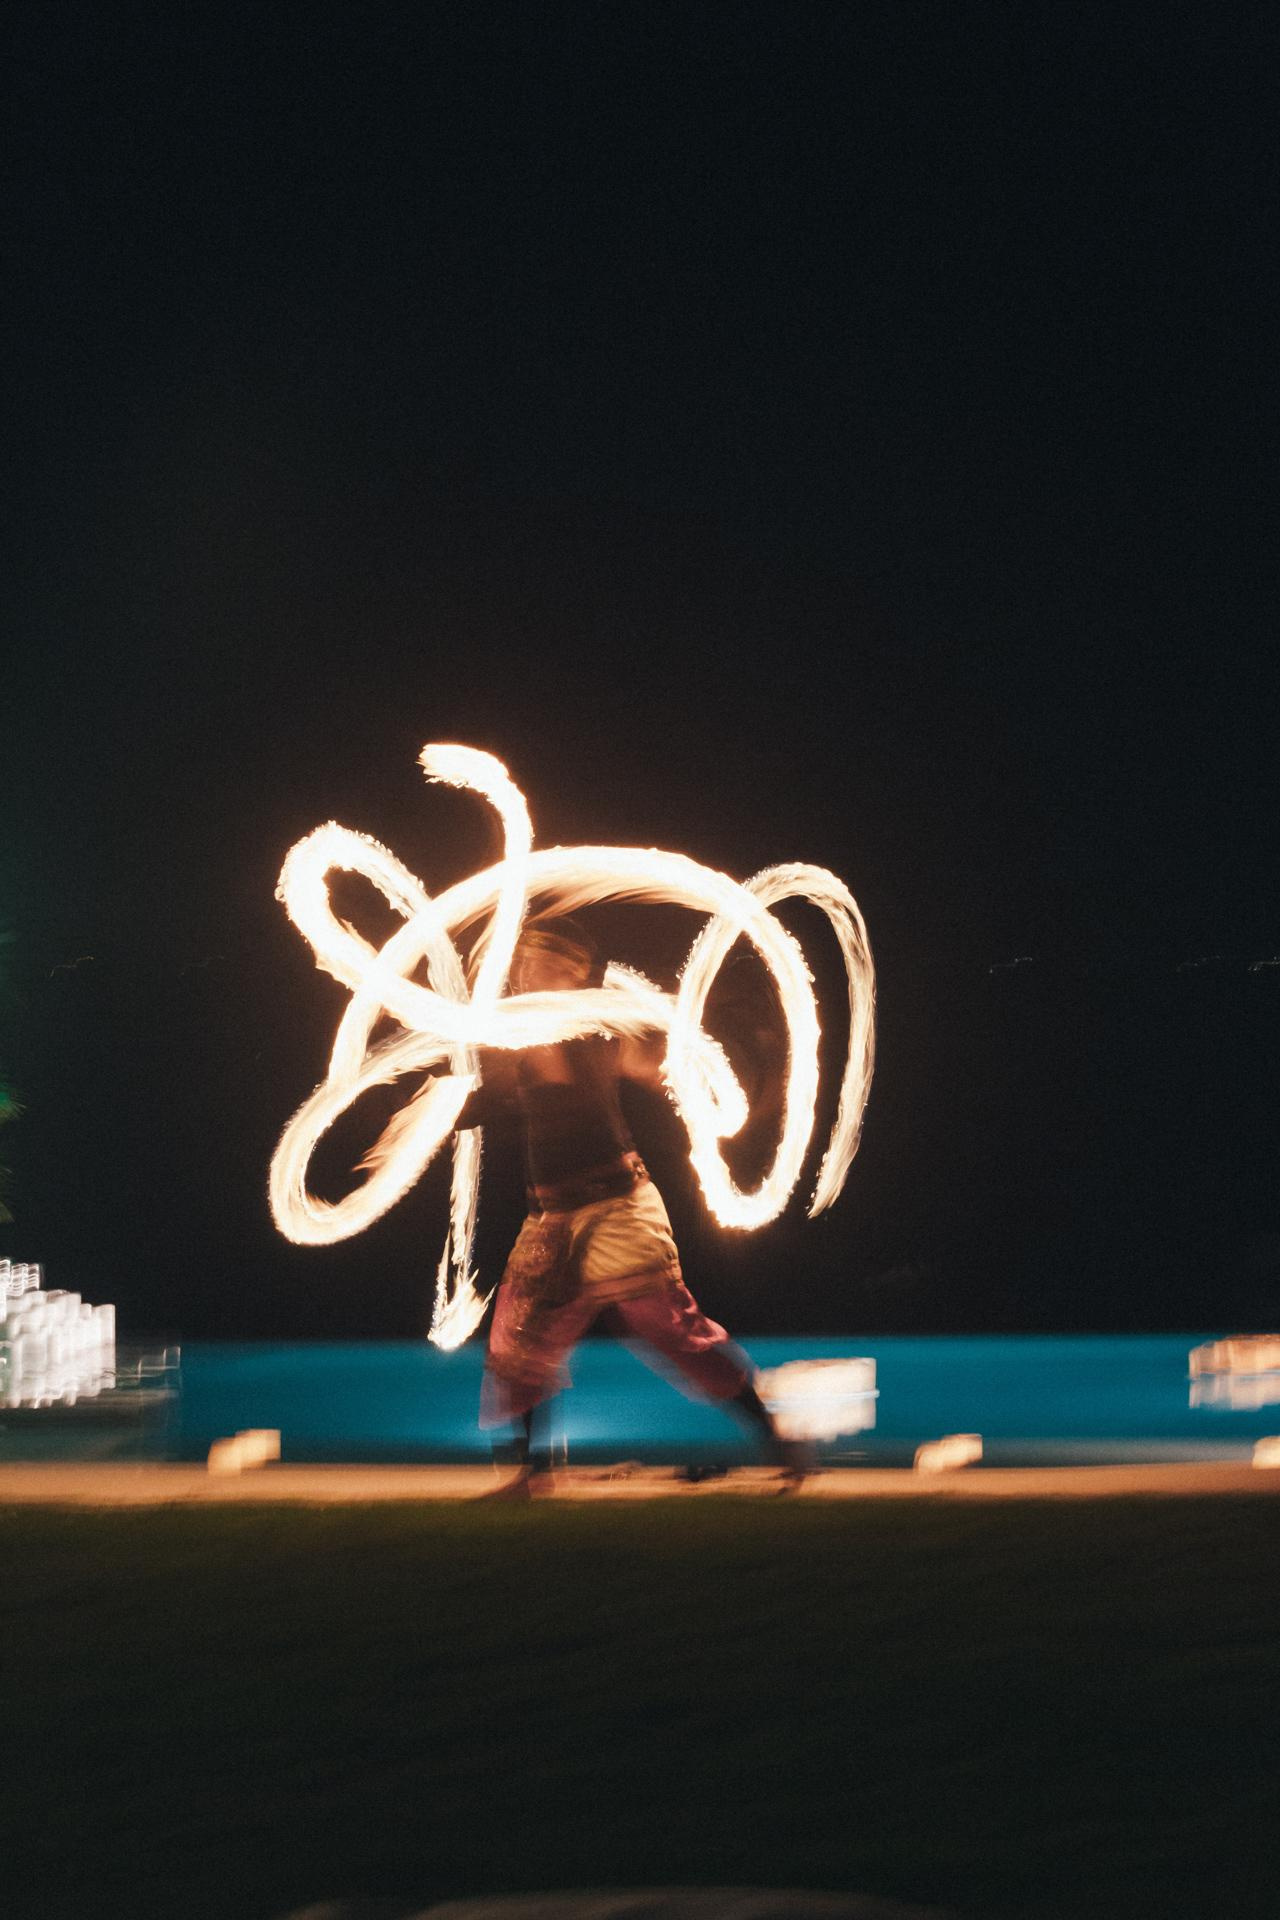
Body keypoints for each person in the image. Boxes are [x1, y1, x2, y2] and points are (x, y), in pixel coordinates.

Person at [454, 914, 811, 1495]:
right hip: (551, 1216)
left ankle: (782, 1442)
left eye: (535, 960)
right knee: (518, 1339)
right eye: (519, 961)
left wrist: (707, 1075)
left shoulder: (591, 1029)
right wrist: (418, 1117)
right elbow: (484, 1097)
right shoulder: (519, 1037)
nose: (520, 970)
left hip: (619, 1208)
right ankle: (528, 1473)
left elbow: (629, 1066)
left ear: (571, 970)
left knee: (676, 1333)